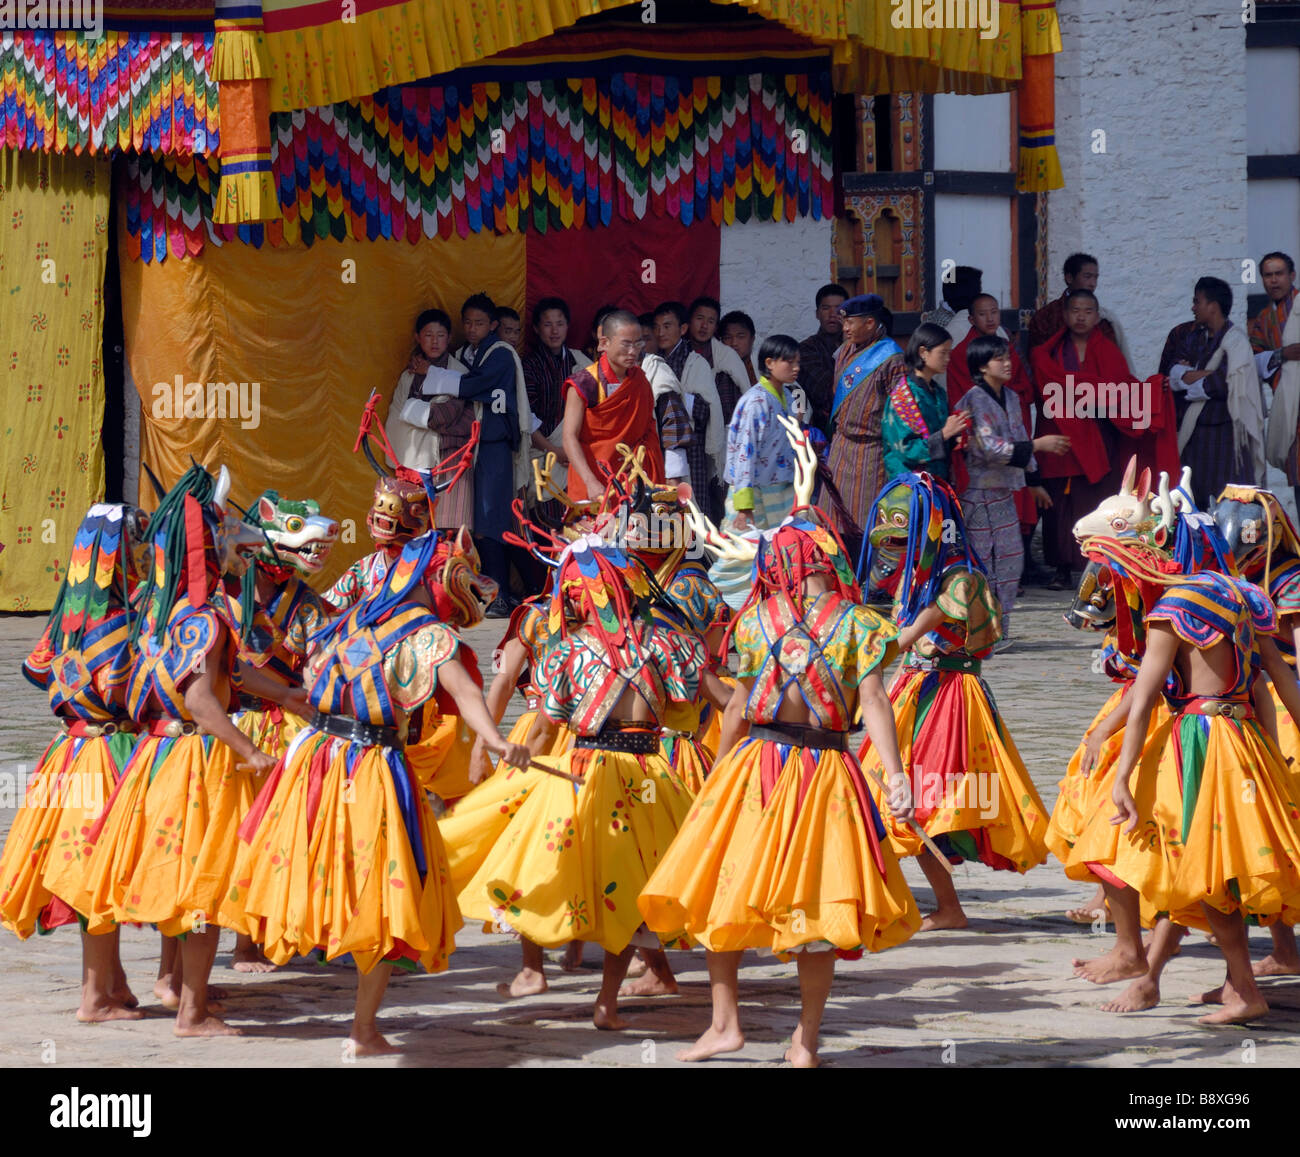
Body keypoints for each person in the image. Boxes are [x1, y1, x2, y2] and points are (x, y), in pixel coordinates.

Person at [640, 510, 920, 1067]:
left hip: (756, 767)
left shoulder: (754, 621)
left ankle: (725, 1025)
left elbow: (740, 708)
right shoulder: (861, 623)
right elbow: (875, 703)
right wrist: (894, 773)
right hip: (825, 771)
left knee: (720, 888)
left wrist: (715, 773)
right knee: (816, 907)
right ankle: (804, 1043)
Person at [460, 536, 733, 1031]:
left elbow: (542, 728)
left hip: (580, 774)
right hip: (648, 776)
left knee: (536, 865)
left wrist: (516, 766)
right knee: (628, 890)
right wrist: (733, 756)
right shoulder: (669, 642)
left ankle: (535, 967)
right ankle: (606, 1001)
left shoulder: (567, 652)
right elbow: (728, 701)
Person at [74, 465, 284, 1038]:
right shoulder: (209, 615)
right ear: (210, 547)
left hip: (155, 755)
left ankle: (174, 993)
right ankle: (191, 1012)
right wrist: (251, 750)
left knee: (182, 883)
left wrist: (291, 695)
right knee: (206, 888)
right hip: (197, 762)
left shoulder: (160, 609)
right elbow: (203, 701)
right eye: (230, 537)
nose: (242, 549)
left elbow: (229, 675)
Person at [1071, 533, 1300, 1025]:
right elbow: (1280, 677)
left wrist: (1122, 776)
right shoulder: (1241, 596)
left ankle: (1239, 990)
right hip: (1244, 739)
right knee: (1213, 866)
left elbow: (1145, 699)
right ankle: (1215, 982)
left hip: (1196, 743)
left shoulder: (1170, 609)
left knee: (1196, 865)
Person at [857, 472, 1050, 931]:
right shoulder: (920, 577)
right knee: (883, 796)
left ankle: (947, 908)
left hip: (949, 701)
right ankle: (937, 906)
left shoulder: (959, 580)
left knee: (924, 802)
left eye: (904, 539)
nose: (895, 550)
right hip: (913, 693)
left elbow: (899, 642)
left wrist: (848, 653)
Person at [0, 504, 151, 1021]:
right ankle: (93, 998)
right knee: (98, 875)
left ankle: (114, 982)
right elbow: (131, 696)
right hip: (105, 755)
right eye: (140, 544)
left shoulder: (69, 620)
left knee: (90, 872)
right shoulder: (120, 625)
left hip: (68, 752)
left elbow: (34, 671)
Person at [1031, 288, 1176, 589]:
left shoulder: (1108, 350)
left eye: (1087, 311)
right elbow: (1049, 386)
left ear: (1097, 317)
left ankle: (1097, 563)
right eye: (1075, 311)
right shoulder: (1048, 353)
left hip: (1099, 433)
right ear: (1065, 315)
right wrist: (1090, 391)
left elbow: (1122, 390)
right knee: (1059, 504)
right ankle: (1060, 568)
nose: (1081, 316)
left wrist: (1153, 390)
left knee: (1094, 499)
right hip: (1060, 433)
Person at [420, 293, 535, 616]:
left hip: (494, 445)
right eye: (467, 322)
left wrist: (432, 374)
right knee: (473, 520)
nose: (472, 329)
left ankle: (503, 592)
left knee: (492, 518)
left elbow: (475, 386)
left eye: (480, 323)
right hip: (468, 447)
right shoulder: (463, 354)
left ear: (493, 325)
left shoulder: (499, 354)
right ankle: (486, 591)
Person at [956, 333, 1065, 640]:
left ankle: (999, 633)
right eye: (998, 359)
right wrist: (1037, 445)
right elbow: (988, 448)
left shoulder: (1013, 398)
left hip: (1003, 494)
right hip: (977, 495)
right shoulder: (972, 401)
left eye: (1007, 357)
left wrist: (1033, 482)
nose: (1007, 363)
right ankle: (976, 633)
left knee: (1009, 563)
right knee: (980, 565)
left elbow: (1017, 434)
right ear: (981, 366)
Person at [944, 294, 1041, 581]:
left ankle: (1014, 570)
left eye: (994, 312)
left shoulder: (1004, 345)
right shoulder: (964, 352)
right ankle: (982, 575)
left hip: (1012, 426)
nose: (990, 319)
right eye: (983, 314)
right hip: (984, 442)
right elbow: (963, 396)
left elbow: (1023, 385)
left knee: (1016, 503)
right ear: (971, 319)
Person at [709, 336, 805, 609]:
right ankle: (726, 610)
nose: (795, 367)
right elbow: (744, 453)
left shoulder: (787, 395)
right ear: (770, 363)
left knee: (779, 552)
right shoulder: (755, 402)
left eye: (798, 361)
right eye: (789, 361)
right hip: (753, 495)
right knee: (739, 557)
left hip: (782, 493)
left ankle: (771, 609)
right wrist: (744, 504)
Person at [1162, 277, 1266, 510]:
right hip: (1195, 441)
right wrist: (1200, 374)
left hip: (1226, 441)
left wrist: (1191, 375)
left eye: (1197, 301)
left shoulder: (1237, 342)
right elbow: (1173, 372)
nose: (1193, 307)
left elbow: (1225, 383)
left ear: (1213, 306)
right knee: (1193, 506)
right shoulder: (1193, 337)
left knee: (1228, 507)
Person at [825, 294, 904, 553]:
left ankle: (866, 584)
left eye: (851, 323)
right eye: (844, 322)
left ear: (870, 323)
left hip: (870, 452)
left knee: (864, 525)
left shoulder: (892, 359)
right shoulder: (845, 350)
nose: (845, 328)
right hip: (840, 448)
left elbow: (899, 413)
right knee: (830, 522)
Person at [562, 310, 666, 502]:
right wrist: (590, 481)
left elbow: (647, 430)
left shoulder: (640, 381)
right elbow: (569, 438)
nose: (633, 351)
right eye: (626, 344)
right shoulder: (584, 384)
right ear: (604, 343)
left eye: (638, 343)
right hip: (593, 481)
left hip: (634, 480)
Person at [388, 309, 474, 531]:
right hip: (410, 461)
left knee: (450, 530)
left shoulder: (460, 373)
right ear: (417, 337)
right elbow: (398, 417)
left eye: (441, 335)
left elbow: (445, 418)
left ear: (449, 338)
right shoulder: (409, 374)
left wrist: (416, 413)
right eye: (428, 335)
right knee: (409, 527)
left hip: (449, 459)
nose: (435, 341)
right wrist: (427, 416)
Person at [650, 300, 724, 511]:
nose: (660, 332)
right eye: (656, 327)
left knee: (694, 511)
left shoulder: (695, 362)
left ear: (682, 329)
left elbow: (705, 410)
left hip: (691, 448)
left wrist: (674, 397)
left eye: (667, 326)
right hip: (661, 447)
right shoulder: (656, 362)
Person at [881, 321, 969, 481]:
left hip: (938, 483)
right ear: (923, 352)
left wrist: (957, 437)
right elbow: (906, 450)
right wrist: (945, 434)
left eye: (949, 353)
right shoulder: (903, 396)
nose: (948, 359)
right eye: (943, 353)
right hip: (911, 488)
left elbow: (943, 439)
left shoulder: (938, 392)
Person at [1248, 252, 1300, 510]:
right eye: (1268, 275)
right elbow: (1254, 361)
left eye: (1279, 274)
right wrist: (1282, 354)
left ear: (1292, 276)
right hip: (1289, 411)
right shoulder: (1263, 320)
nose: (1274, 280)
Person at [1027, 252, 1127, 358]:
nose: (1093, 284)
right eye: (1087, 277)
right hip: (1061, 373)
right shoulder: (1045, 316)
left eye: (1095, 278)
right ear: (1069, 278)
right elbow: (1038, 359)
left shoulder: (1103, 319)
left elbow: (1111, 358)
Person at [688, 295, 751, 426]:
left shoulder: (726, 358)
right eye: (699, 319)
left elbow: (736, 404)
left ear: (716, 328)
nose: (704, 326)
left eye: (711, 321)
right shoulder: (680, 352)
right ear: (689, 321)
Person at [797, 283, 848, 433]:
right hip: (822, 432)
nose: (832, 314)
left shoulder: (859, 346)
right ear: (817, 313)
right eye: (826, 308)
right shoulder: (807, 349)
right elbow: (825, 392)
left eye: (839, 309)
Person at [719, 310, 759, 386]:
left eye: (741, 337)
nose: (734, 343)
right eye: (728, 337)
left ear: (752, 339)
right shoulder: (719, 372)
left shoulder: (765, 368)